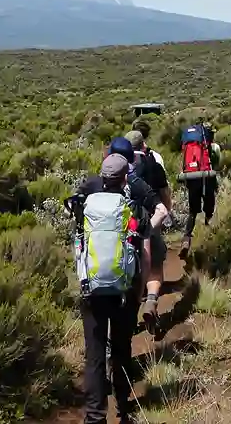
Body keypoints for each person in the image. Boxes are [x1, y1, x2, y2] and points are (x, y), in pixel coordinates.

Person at [69, 153, 152, 424]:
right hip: (124, 291)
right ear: (125, 178)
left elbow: (79, 248)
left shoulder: (85, 207)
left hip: (91, 290)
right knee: (121, 349)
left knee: (94, 355)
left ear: (103, 177)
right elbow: (144, 255)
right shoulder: (134, 208)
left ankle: (95, 416)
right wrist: (140, 290)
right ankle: (123, 409)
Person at [124, 129, 171, 330]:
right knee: (155, 267)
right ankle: (151, 302)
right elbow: (165, 195)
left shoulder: (118, 168)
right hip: (150, 222)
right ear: (143, 145)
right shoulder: (154, 165)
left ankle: (128, 318)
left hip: (124, 227)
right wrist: (166, 213)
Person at [179, 122, 222, 259]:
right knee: (209, 209)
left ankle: (186, 240)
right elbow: (216, 164)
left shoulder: (189, 145)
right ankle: (209, 239)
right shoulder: (213, 147)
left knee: (193, 211)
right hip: (207, 178)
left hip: (192, 177)